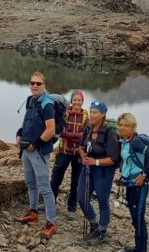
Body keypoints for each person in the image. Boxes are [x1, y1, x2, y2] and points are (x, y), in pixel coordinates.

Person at [14, 71, 57, 239]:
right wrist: (19, 133)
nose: (34, 86)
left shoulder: (47, 104)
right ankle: (33, 212)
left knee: (45, 187)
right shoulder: (31, 101)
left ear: (44, 86)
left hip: (38, 151)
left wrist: (35, 144)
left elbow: (51, 130)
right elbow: (27, 122)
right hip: (26, 149)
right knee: (31, 183)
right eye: (32, 83)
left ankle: (51, 222)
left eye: (38, 83)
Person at [77, 100, 120, 246]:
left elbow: (114, 158)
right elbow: (81, 146)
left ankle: (102, 231)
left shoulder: (109, 132)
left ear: (102, 115)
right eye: (91, 111)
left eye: (95, 112)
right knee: (82, 198)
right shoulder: (88, 128)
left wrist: (95, 162)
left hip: (103, 170)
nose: (92, 114)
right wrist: (83, 156)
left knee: (102, 200)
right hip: (87, 169)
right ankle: (94, 223)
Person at [118, 113, 149, 252]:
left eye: (126, 125)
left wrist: (144, 174)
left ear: (133, 127)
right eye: (121, 124)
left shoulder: (136, 141)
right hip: (131, 184)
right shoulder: (126, 141)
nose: (123, 127)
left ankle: (141, 249)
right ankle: (138, 247)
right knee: (135, 218)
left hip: (139, 186)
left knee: (138, 219)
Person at [50, 90, 89, 220]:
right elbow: (60, 131)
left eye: (79, 100)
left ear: (82, 101)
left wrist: (70, 135)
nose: (77, 102)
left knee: (76, 182)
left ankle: (72, 208)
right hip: (63, 151)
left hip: (78, 153)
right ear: (71, 101)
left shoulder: (85, 116)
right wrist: (76, 136)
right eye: (75, 100)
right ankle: (50, 203)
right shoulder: (64, 113)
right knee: (55, 178)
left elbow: (86, 135)